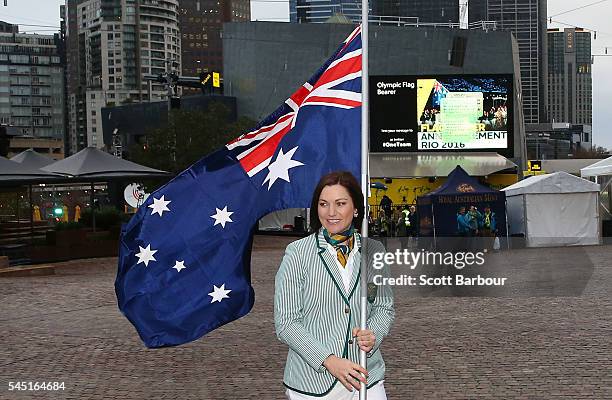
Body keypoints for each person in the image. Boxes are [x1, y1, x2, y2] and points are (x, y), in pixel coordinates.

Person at [275, 171, 395, 400]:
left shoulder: (374, 251)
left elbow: (383, 307)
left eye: (340, 204)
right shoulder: (297, 253)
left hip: (366, 374)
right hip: (312, 384)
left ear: (356, 208)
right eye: (323, 204)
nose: (331, 212)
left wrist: (373, 334)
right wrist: (328, 360)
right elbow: (287, 323)